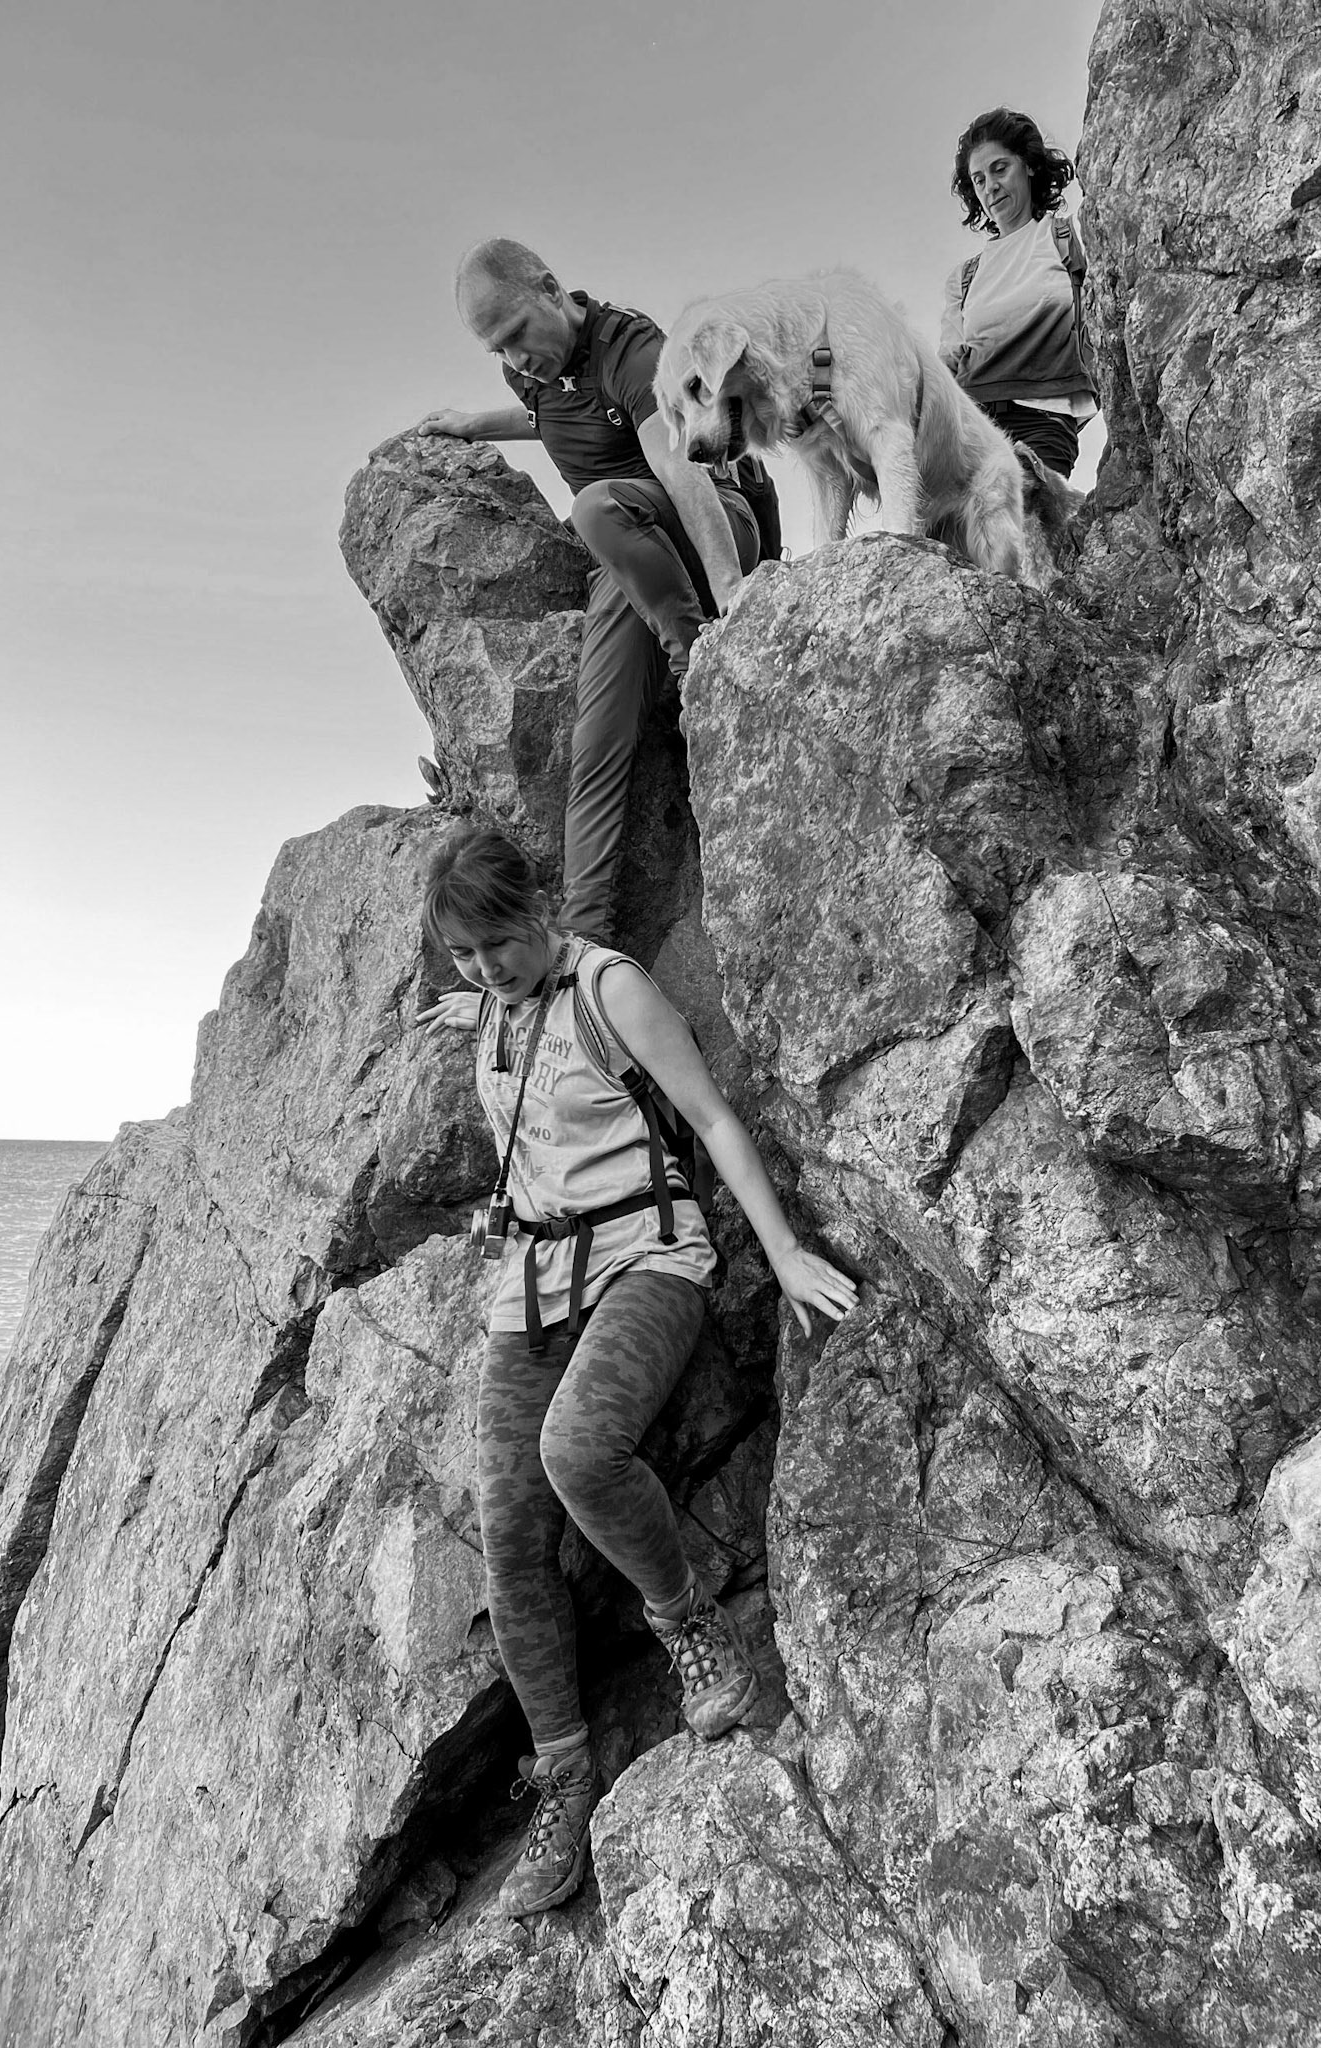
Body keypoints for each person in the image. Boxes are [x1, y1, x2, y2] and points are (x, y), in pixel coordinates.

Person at [419, 827, 857, 1919]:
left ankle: (688, 1624)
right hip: (533, 1285)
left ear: (539, 906)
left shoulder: (608, 987)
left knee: (577, 1449)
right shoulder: (493, 1006)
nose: (486, 967)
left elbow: (709, 1115)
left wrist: (788, 1247)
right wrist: (470, 1000)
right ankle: (561, 1775)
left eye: (500, 942)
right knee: (508, 1525)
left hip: (649, 1258)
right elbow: (488, 1005)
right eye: (463, 954)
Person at [417, 239, 761, 941]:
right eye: (496, 351)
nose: (514, 359)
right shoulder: (533, 374)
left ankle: (693, 658)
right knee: (596, 742)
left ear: (550, 289)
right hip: (627, 559)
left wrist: (732, 590)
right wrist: (476, 424)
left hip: (702, 523)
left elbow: (680, 471)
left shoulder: (633, 352)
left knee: (595, 507)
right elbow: (551, 414)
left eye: (516, 335)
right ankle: (586, 940)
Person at [939, 109, 1100, 481]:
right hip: (970, 429)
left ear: (1027, 165)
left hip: (1044, 423)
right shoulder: (964, 277)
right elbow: (946, 365)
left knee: (1024, 528)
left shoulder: (1067, 238)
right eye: (978, 180)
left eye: (999, 169)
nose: (990, 187)